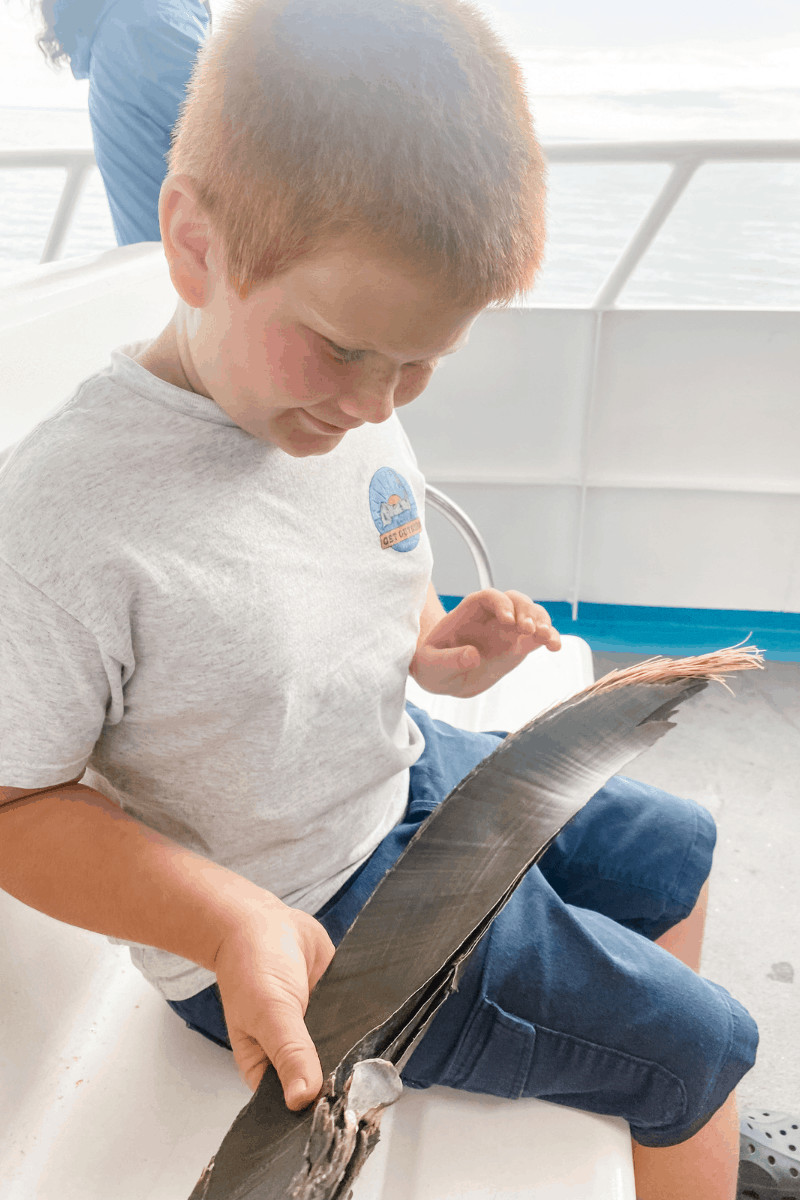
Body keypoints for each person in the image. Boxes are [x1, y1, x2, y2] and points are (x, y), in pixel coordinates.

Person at [0, 2, 774, 1197]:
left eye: (420, 362)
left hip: (395, 766)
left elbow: (360, 583)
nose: (378, 402)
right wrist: (222, 923)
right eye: (347, 350)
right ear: (195, 242)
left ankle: (641, 1121)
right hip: (292, 916)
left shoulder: (332, 401)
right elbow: (15, 804)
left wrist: (437, 653)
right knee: (708, 1047)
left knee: (682, 851)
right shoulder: (65, 520)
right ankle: (673, 1098)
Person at [26, 0, 210, 244]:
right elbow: (259, 161)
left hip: (171, 269)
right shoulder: (150, 28)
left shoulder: (129, 25)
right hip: (208, 272)